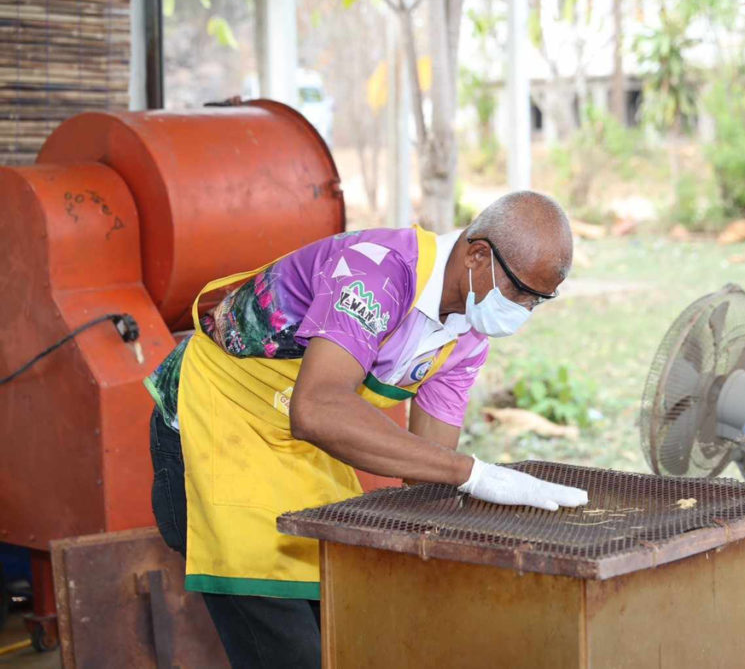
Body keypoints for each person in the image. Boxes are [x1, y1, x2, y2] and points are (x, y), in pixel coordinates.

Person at [145, 190, 588, 667]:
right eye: (520, 292)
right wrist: (475, 474)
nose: (522, 310)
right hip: (218, 423)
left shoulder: (467, 337)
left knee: (345, 622)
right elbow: (316, 409)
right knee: (282, 634)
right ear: (478, 254)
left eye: (537, 302)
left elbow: (427, 472)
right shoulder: (377, 272)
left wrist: (487, 531)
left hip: (299, 445)